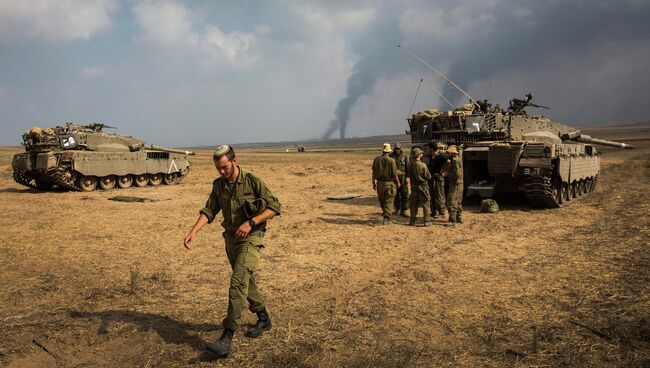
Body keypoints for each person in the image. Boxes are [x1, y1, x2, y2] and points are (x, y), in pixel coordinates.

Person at [183, 145, 282, 357]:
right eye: (218, 168)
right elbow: (209, 210)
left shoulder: (252, 181)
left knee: (237, 282)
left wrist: (251, 222)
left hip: (251, 238)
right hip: (231, 241)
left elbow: (274, 206)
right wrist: (193, 232)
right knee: (246, 280)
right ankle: (263, 318)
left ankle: (227, 337)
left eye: (225, 167)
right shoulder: (219, 186)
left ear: (235, 161)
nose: (221, 171)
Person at [372, 143, 400, 225]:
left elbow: (373, 172)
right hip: (389, 184)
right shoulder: (391, 160)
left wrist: (373, 182)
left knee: (382, 201)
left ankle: (385, 214)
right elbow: (395, 174)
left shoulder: (376, 160)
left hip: (379, 184)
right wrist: (398, 182)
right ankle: (386, 218)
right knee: (389, 201)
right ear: (389, 151)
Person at [408, 147, 432, 226]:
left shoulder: (411, 165)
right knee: (425, 204)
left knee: (414, 204)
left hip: (414, 187)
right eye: (421, 153)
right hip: (423, 187)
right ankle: (427, 221)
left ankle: (412, 220)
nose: (422, 154)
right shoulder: (423, 165)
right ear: (418, 155)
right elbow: (428, 176)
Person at [428, 142, 449, 219]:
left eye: (429, 148)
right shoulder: (431, 157)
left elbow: (449, 163)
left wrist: (444, 172)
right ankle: (434, 212)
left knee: (440, 195)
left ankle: (441, 212)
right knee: (433, 195)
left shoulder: (441, 157)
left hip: (439, 179)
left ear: (432, 148)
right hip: (432, 179)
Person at [388, 143, 410, 217]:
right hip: (394, 177)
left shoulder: (405, 156)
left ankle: (404, 210)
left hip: (403, 177)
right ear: (394, 148)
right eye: (396, 148)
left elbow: (408, 167)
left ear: (401, 148)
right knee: (395, 194)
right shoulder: (391, 156)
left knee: (405, 194)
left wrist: (407, 177)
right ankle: (397, 209)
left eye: (398, 148)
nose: (397, 150)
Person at [445, 145, 464, 224]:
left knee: (451, 201)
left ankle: (452, 220)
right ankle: (459, 217)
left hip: (455, 183)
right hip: (460, 183)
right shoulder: (458, 159)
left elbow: (456, 174)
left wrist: (447, 174)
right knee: (458, 201)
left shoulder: (455, 161)